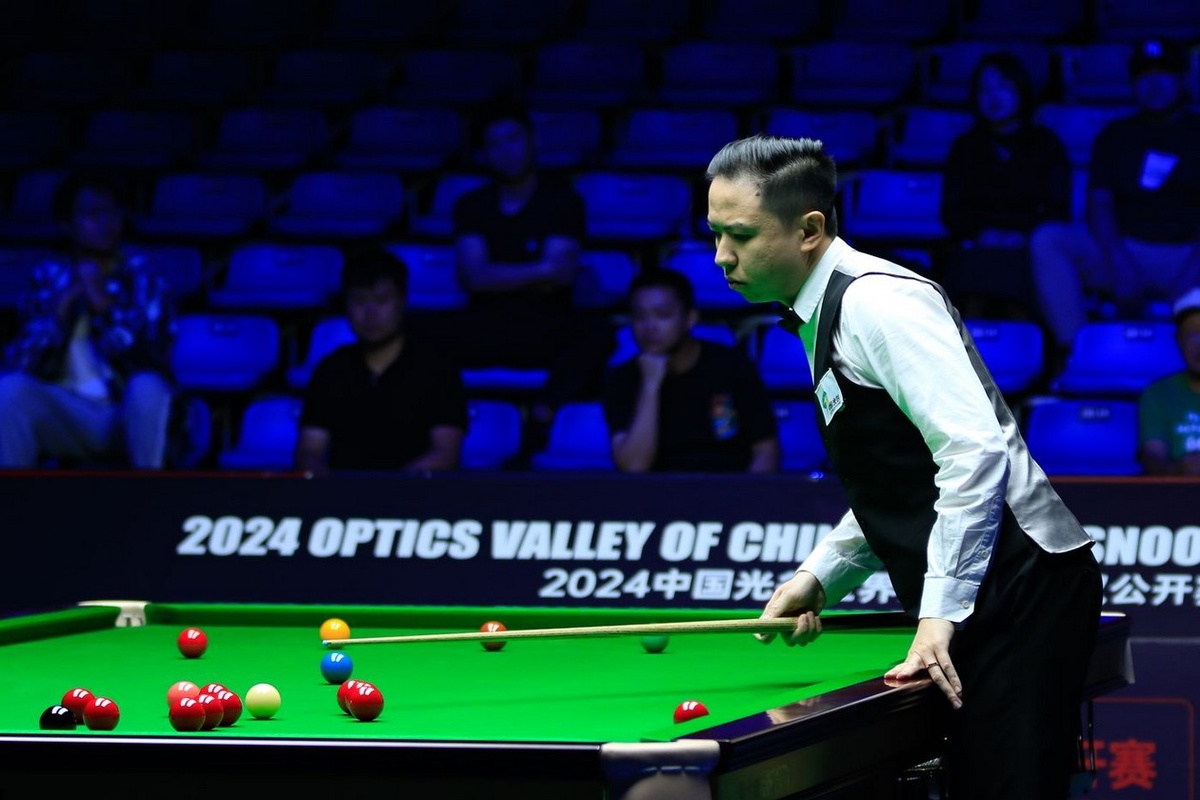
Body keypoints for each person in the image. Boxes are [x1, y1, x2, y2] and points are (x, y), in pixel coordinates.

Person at [706, 135, 1102, 799]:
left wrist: (940, 612)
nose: (722, 255)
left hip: (1021, 583)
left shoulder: (879, 304)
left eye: (740, 235)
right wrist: (821, 574)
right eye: (716, 234)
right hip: (987, 586)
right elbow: (901, 477)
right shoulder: (819, 311)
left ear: (809, 230)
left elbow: (973, 452)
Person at [434, 105, 614, 448]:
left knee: (599, 335)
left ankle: (543, 416)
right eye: (495, 143)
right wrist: (538, 270)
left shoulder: (563, 202)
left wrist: (496, 274)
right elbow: (474, 278)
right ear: (484, 153)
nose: (506, 151)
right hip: (485, 323)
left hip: (544, 323)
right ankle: (444, 425)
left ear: (531, 140)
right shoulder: (471, 205)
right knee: (419, 332)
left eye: (513, 138)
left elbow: (559, 276)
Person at [1030, 37, 1200, 363]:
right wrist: (1120, 263)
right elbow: (1099, 204)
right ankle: (1077, 354)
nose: (1154, 83)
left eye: (1164, 73)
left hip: (1187, 254)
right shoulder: (1115, 134)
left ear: (1182, 79)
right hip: (1126, 249)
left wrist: (1192, 275)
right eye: (1144, 74)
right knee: (1049, 239)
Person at [0, 171, 176, 469]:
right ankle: (12, 496)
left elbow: (151, 363)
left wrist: (103, 306)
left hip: (125, 412)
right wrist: (57, 320)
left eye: (114, 213)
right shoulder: (48, 279)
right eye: (93, 214)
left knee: (147, 386)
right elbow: (20, 365)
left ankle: (150, 492)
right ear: (67, 224)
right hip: (67, 413)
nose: (107, 222)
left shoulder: (144, 277)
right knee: (9, 391)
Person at [295, 248, 467, 475]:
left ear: (402, 301)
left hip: (415, 495)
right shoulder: (332, 369)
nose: (370, 312)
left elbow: (446, 453)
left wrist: (393, 490)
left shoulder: (436, 369)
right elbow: (310, 450)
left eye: (381, 300)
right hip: (344, 495)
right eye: (359, 300)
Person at [603, 267, 779, 473]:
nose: (650, 327)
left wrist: (746, 493)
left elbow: (766, 450)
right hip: (658, 491)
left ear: (690, 318)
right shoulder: (621, 378)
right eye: (640, 316)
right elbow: (634, 466)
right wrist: (650, 385)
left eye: (663, 315)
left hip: (726, 487)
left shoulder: (731, 366)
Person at [940, 51, 1072, 320]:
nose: (994, 97)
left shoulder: (1046, 145)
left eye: (1003, 87)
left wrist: (1022, 236)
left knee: (1022, 277)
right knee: (970, 275)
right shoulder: (965, 147)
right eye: (984, 89)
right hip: (978, 245)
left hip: (1028, 247)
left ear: (1021, 90)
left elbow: (1058, 208)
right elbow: (951, 210)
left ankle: (1028, 341)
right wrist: (982, 233)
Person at [1138, 287, 1200, 475]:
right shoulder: (1158, 394)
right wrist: (1176, 470)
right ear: (1178, 340)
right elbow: (1153, 457)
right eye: (1192, 333)